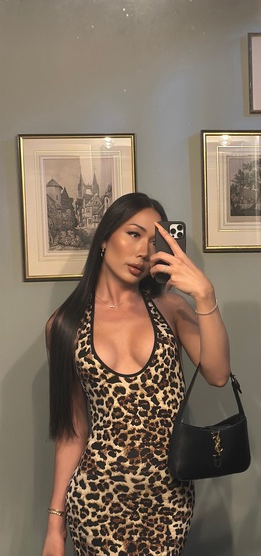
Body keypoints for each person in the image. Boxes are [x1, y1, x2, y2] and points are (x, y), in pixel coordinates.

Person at [41, 192, 230, 556]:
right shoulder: (64, 325)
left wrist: (205, 295)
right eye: (133, 234)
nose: (144, 251)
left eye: (153, 240)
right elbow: (72, 433)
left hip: (169, 499)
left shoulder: (171, 308)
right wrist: (54, 525)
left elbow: (218, 374)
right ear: (104, 238)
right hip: (96, 500)